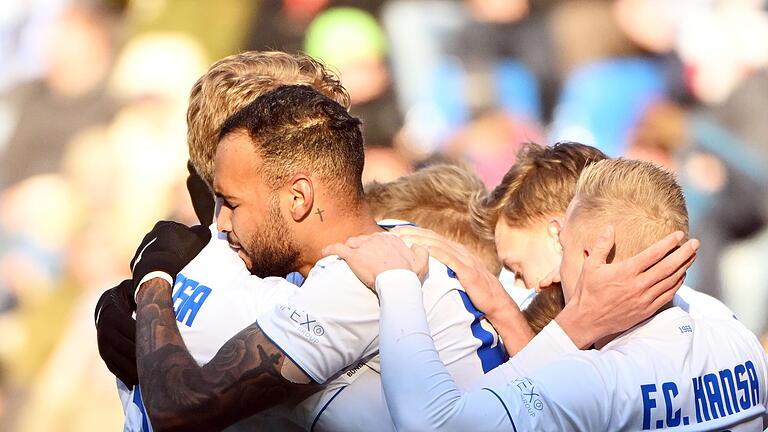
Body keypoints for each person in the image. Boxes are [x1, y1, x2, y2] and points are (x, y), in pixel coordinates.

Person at [126, 86, 696, 431]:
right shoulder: (398, 236)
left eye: (230, 203)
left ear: (298, 197)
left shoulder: (358, 280)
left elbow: (183, 410)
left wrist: (153, 282)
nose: (221, 225)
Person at [329, 158, 767, 431]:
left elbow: (432, 425)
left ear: (593, 252)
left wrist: (397, 279)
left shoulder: (598, 379)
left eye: (565, 245)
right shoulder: (734, 333)